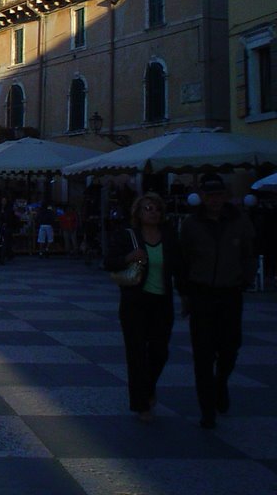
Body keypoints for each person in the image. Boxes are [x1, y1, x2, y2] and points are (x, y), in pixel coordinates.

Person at [179, 173, 256, 429]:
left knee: (230, 348)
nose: (214, 200)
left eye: (218, 195)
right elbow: (183, 258)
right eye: (210, 195)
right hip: (201, 294)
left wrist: (245, 278)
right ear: (203, 197)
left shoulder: (240, 221)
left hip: (230, 292)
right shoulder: (191, 224)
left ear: (225, 196)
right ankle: (207, 408)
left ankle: (221, 382)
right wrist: (185, 290)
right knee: (202, 354)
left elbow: (249, 252)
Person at [104, 192, 179, 423]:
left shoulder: (169, 236)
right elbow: (108, 262)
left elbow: (180, 266)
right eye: (148, 208)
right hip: (135, 302)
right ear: (138, 212)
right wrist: (128, 256)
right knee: (136, 353)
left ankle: (148, 387)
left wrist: (187, 294)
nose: (153, 212)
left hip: (162, 301)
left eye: (157, 208)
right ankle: (141, 404)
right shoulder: (128, 236)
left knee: (160, 351)